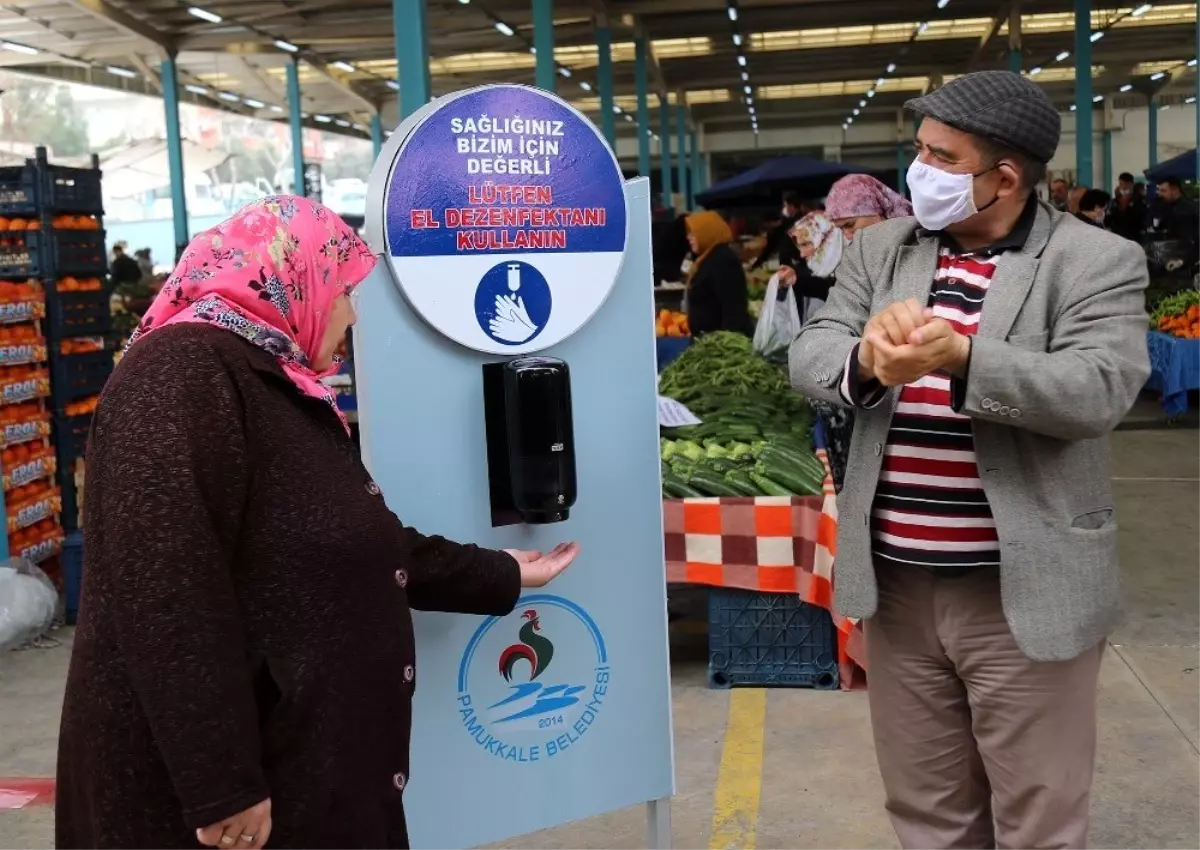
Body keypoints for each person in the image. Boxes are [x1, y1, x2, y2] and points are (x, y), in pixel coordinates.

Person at [55, 196, 581, 850]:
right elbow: (163, 589)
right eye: (345, 292)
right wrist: (222, 783)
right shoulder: (180, 375)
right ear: (294, 276)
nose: (353, 314)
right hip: (218, 807)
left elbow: (349, 540)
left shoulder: (270, 377)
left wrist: (500, 572)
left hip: (304, 770)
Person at [790, 71, 1149, 850]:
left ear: (1006, 178)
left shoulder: (1094, 260)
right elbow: (811, 350)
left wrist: (964, 358)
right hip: (896, 585)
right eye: (918, 150)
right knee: (927, 811)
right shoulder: (883, 249)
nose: (917, 170)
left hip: (1021, 590)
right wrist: (865, 362)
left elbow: (1098, 390)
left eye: (940, 156)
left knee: (1039, 818)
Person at [684, 210, 754, 337]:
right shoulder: (706, 258)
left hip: (719, 344)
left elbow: (733, 306)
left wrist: (726, 345)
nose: (689, 237)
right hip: (708, 341)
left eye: (693, 233)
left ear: (706, 232)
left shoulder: (722, 260)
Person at [824, 173, 913, 241]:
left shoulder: (915, 239)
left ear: (874, 209)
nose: (847, 236)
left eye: (850, 224)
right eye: (841, 229)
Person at [1107, 172, 1146, 242]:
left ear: (1132, 184)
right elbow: (1109, 219)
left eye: (1127, 184)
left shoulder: (1140, 201)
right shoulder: (1114, 202)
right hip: (1117, 239)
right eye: (1121, 184)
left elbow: (1142, 219)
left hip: (1135, 238)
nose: (1124, 187)